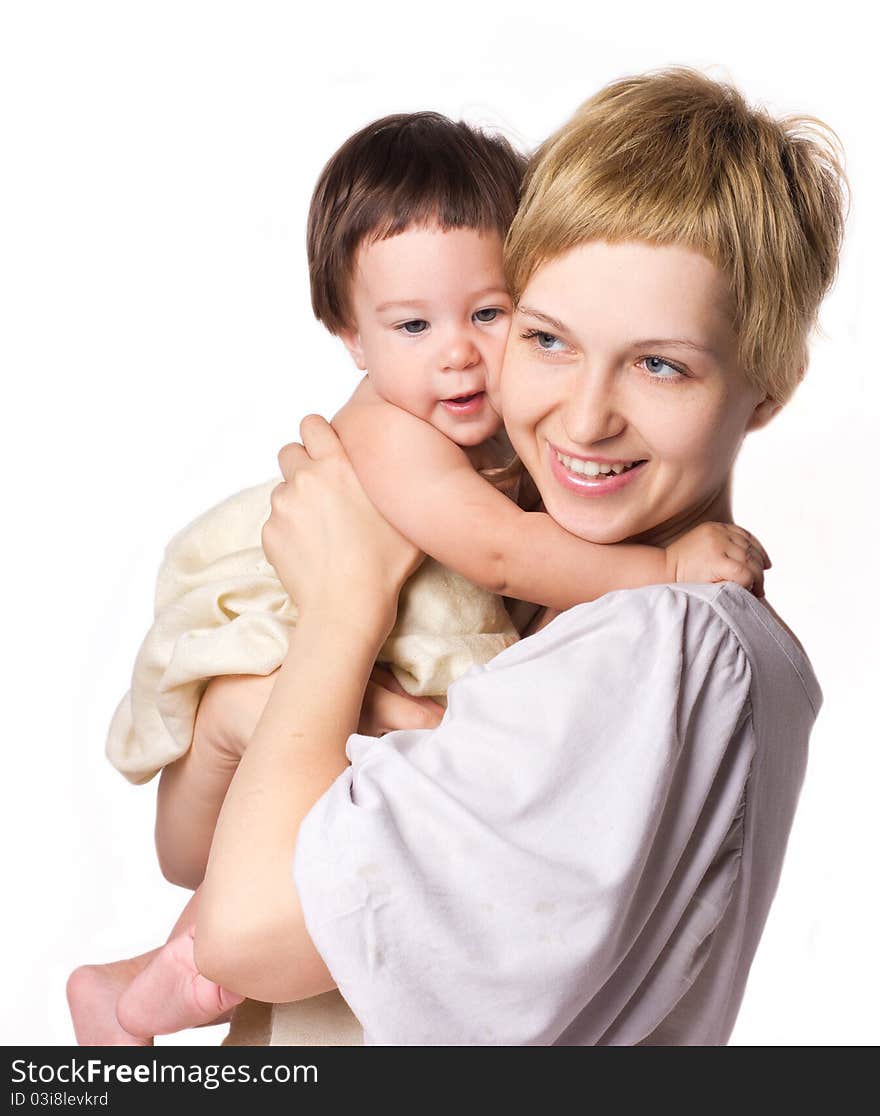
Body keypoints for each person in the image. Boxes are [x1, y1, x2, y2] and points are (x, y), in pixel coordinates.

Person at [67, 107, 763, 1046]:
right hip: (304, 616)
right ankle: (159, 982)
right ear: (349, 335)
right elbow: (500, 553)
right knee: (302, 825)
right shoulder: (396, 437)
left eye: (492, 313)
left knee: (323, 824)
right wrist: (665, 565)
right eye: (412, 324)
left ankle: (142, 984)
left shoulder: (521, 468)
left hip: (366, 659)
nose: (458, 353)